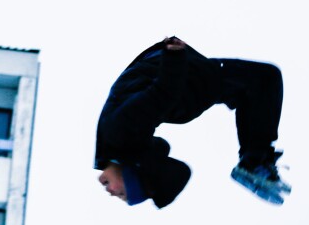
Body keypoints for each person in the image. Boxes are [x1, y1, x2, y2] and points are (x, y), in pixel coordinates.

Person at [95, 36, 291, 208]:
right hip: (186, 84)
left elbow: (160, 95)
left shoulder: (118, 133)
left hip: (181, 81)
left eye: (121, 194)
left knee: (263, 81)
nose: (110, 192)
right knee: (263, 81)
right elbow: (159, 147)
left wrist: (173, 56)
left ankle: (255, 162)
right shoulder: (119, 143)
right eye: (121, 193)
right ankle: (254, 162)